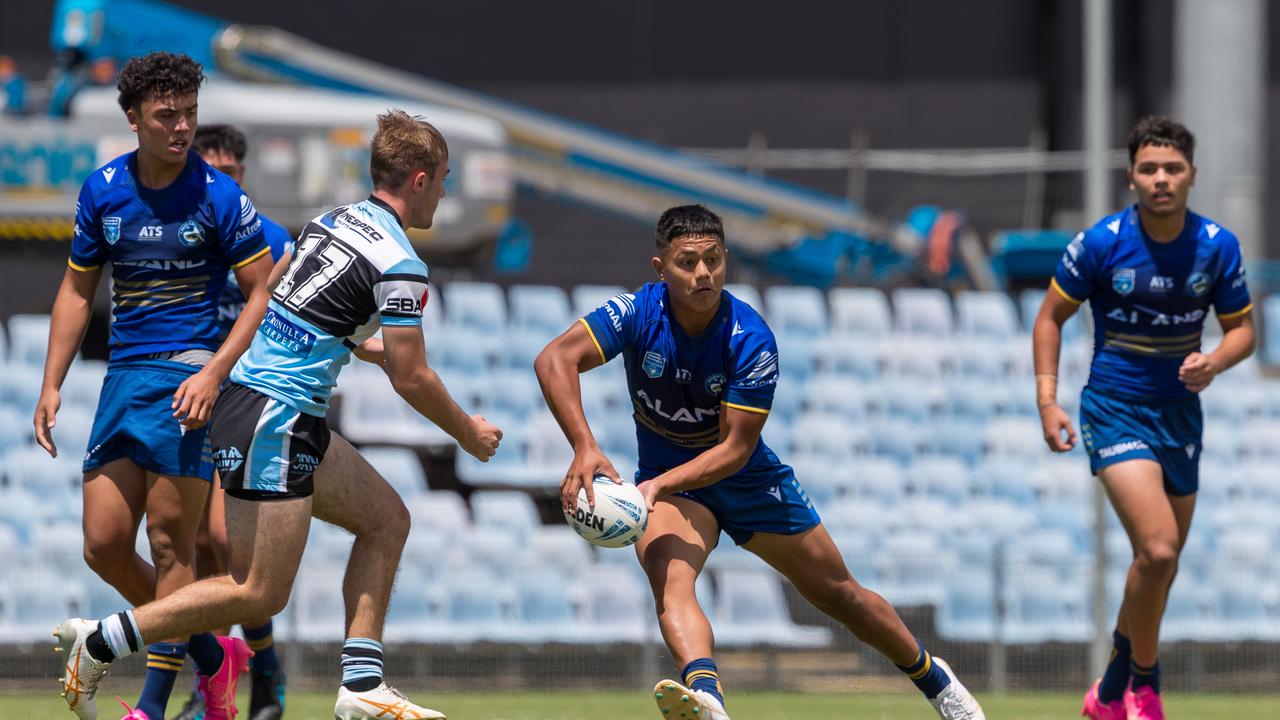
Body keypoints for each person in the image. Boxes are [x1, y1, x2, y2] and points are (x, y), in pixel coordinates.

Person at [54, 108, 502, 720]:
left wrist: (352, 345)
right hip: (275, 414)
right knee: (256, 590)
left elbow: (300, 306)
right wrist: (468, 432)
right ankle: (101, 642)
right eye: (445, 177)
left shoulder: (332, 222)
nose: (446, 191)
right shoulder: (400, 262)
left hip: (274, 408)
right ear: (419, 179)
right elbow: (412, 375)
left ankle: (362, 687)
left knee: (386, 520)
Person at [534, 204, 985, 720]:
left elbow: (734, 450)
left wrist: (654, 486)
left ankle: (936, 680)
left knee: (839, 594)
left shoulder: (750, 338)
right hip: (676, 491)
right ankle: (708, 699)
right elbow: (554, 358)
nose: (703, 273)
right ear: (660, 270)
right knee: (670, 578)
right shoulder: (637, 312)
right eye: (687, 263)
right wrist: (584, 446)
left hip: (745, 479)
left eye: (713, 260)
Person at [35, 52, 275, 720]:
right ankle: (212, 654)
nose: (182, 127)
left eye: (190, 114)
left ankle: (154, 707)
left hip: (187, 380)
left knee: (173, 545)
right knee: (104, 543)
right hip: (122, 382)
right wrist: (51, 383)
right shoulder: (102, 190)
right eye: (168, 115)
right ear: (133, 117)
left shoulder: (221, 197)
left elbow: (262, 291)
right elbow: (78, 289)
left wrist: (214, 372)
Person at [1033, 116, 1254, 720]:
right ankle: (1144, 687)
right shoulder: (1103, 243)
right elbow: (1050, 316)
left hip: (1180, 416)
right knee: (1156, 551)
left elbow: (1243, 333)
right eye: (1150, 169)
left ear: (1191, 176)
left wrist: (1214, 362)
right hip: (1114, 409)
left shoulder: (1217, 245)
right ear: (1131, 176)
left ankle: (1106, 692)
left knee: (1161, 564)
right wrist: (1048, 399)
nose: (1161, 179)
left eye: (1173, 169)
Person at [165, 123, 296, 720]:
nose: (222, 182)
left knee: (224, 540)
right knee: (194, 550)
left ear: (242, 176)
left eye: (232, 173)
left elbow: (294, 322)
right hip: (186, 404)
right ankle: (235, 675)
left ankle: (258, 670)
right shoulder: (185, 238)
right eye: (211, 172)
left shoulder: (269, 241)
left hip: (245, 402)